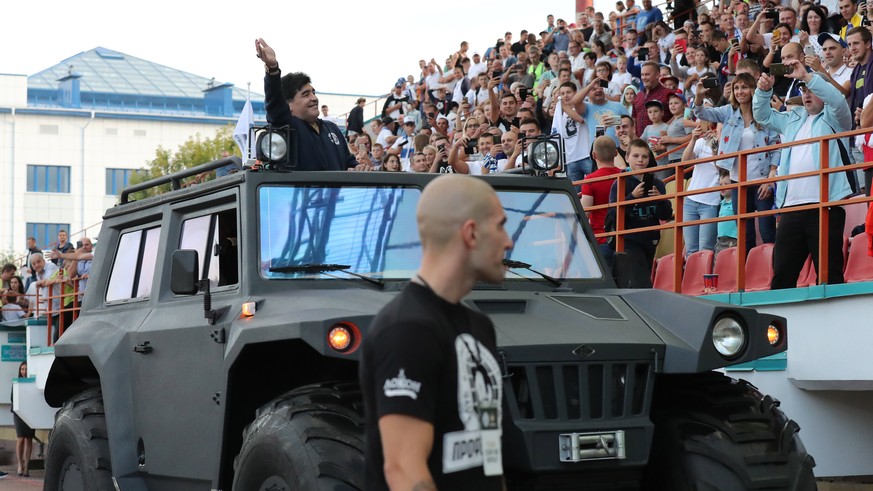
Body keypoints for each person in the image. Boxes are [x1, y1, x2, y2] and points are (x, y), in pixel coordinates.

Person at [360, 174, 510, 491]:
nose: (508, 240)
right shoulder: (407, 330)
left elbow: (489, 459)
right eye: (500, 225)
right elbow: (403, 469)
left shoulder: (479, 326)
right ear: (471, 233)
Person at [754, 60, 854, 289]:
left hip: (825, 205)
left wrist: (809, 77)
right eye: (804, 90)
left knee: (829, 275)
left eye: (812, 91)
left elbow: (838, 100)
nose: (807, 95)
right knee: (781, 276)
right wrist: (763, 90)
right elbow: (762, 116)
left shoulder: (836, 118)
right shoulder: (793, 118)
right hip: (791, 208)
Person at [694, 72, 781, 255]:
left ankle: (773, 274)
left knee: (767, 231)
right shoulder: (728, 112)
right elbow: (702, 113)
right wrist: (699, 96)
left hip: (761, 180)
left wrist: (771, 177)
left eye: (744, 87)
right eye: (736, 88)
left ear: (753, 89)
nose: (740, 91)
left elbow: (775, 146)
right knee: (745, 234)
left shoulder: (766, 114)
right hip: (737, 182)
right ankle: (748, 277)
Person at [255, 38, 359, 171]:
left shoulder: (332, 129)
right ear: (289, 105)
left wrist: (357, 167)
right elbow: (274, 104)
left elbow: (348, 163)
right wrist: (272, 69)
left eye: (313, 93)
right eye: (306, 94)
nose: (314, 98)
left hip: (335, 192)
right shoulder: (288, 128)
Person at [607, 138, 673, 288]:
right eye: (636, 156)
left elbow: (665, 215)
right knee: (641, 283)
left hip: (650, 239)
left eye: (644, 156)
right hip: (630, 240)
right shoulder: (621, 182)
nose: (640, 160)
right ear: (627, 158)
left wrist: (660, 199)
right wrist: (632, 198)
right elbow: (614, 214)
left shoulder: (657, 184)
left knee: (642, 280)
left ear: (649, 159)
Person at [581, 136, 624, 273]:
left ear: (594, 155)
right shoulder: (624, 175)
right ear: (616, 153)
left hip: (601, 239)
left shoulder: (590, 180)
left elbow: (584, 212)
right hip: (625, 237)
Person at [680, 121, 723, 255]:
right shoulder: (700, 142)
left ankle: (705, 277)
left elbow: (722, 170)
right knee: (691, 249)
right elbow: (685, 162)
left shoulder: (728, 147)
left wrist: (715, 149)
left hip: (710, 202)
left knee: (706, 249)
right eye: (717, 128)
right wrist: (693, 139)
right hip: (691, 200)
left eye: (721, 129)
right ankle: (692, 276)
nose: (717, 131)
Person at [12, 362, 35, 477]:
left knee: (29, 439)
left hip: (30, 413)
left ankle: (27, 467)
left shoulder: (33, 382)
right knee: (21, 439)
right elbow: (12, 398)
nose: (24, 371)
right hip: (18, 413)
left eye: (26, 369)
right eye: (22, 369)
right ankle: (20, 464)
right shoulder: (16, 382)